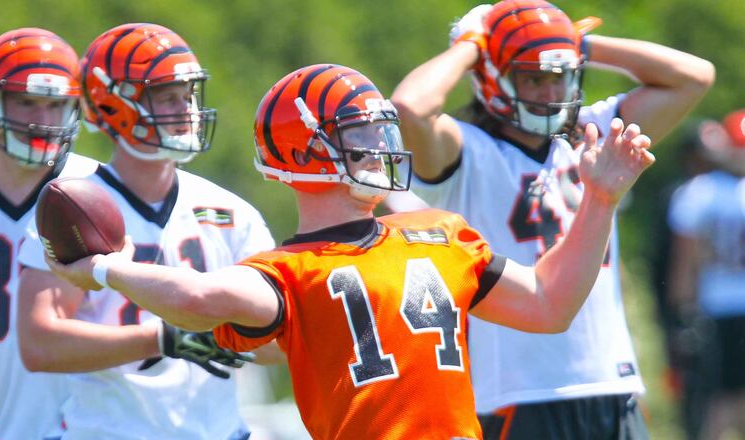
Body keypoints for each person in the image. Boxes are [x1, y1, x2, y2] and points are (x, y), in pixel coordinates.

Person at [45, 63, 654, 440]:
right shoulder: (291, 270)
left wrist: (598, 199)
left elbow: (551, 304)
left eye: (380, 131)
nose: (382, 147)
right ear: (305, 151)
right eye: (362, 135)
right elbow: (202, 297)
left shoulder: (441, 231)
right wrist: (105, 269)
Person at [390, 0, 715, 437]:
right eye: (534, 77)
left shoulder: (593, 132)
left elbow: (694, 76)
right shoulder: (468, 151)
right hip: (516, 393)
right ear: (492, 77)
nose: (551, 93)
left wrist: (575, 41)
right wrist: (473, 46)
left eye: (560, 76)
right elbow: (410, 107)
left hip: (609, 382)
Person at [16, 23, 274, 439]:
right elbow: (40, 344)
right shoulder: (70, 208)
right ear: (116, 104)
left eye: (188, 95)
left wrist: (244, 330)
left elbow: (281, 343)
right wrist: (160, 338)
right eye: (168, 96)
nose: (187, 109)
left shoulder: (232, 212)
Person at [0, 28, 96, 439]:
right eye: (25, 101)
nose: (42, 118)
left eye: (55, 104)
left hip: (89, 424)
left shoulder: (101, 190)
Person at [666, 109, 745, 440]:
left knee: (719, 402)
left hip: (716, 305)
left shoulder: (698, 191)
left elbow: (686, 264)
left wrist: (681, 314)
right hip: (721, 308)